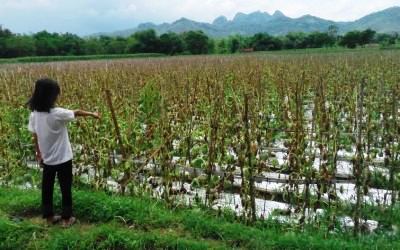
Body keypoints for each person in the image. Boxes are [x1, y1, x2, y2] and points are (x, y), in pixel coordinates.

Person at [27, 78, 100, 227]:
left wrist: (38, 153)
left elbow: (34, 135)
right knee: (65, 187)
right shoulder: (58, 113)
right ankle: (67, 219)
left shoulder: (34, 115)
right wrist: (93, 114)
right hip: (64, 158)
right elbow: (77, 112)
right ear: (51, 97)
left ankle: (49, 217)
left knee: (47, 188)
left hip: (47, 159)